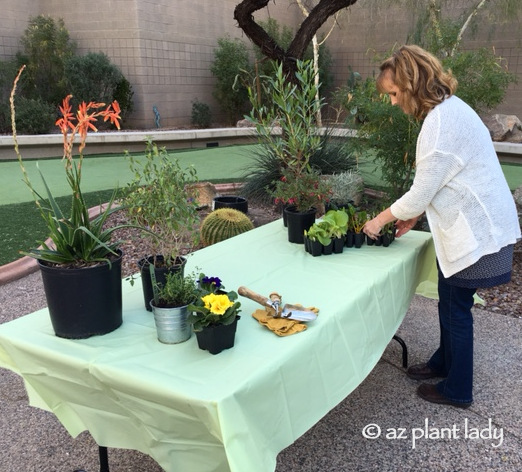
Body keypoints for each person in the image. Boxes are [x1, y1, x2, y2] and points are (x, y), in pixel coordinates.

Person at [363, 45, 521, 408]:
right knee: (451, 301)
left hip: (478, 234)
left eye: (393, 94)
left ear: (410, 83)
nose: (392, 102)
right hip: (480, 227)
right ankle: (443, 362)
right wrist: (416, 213)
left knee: (455, 308)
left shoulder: (439, 123)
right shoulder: (451, 110)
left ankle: (457, 390)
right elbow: (442, 180)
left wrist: (381, 219)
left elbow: (421, 191)